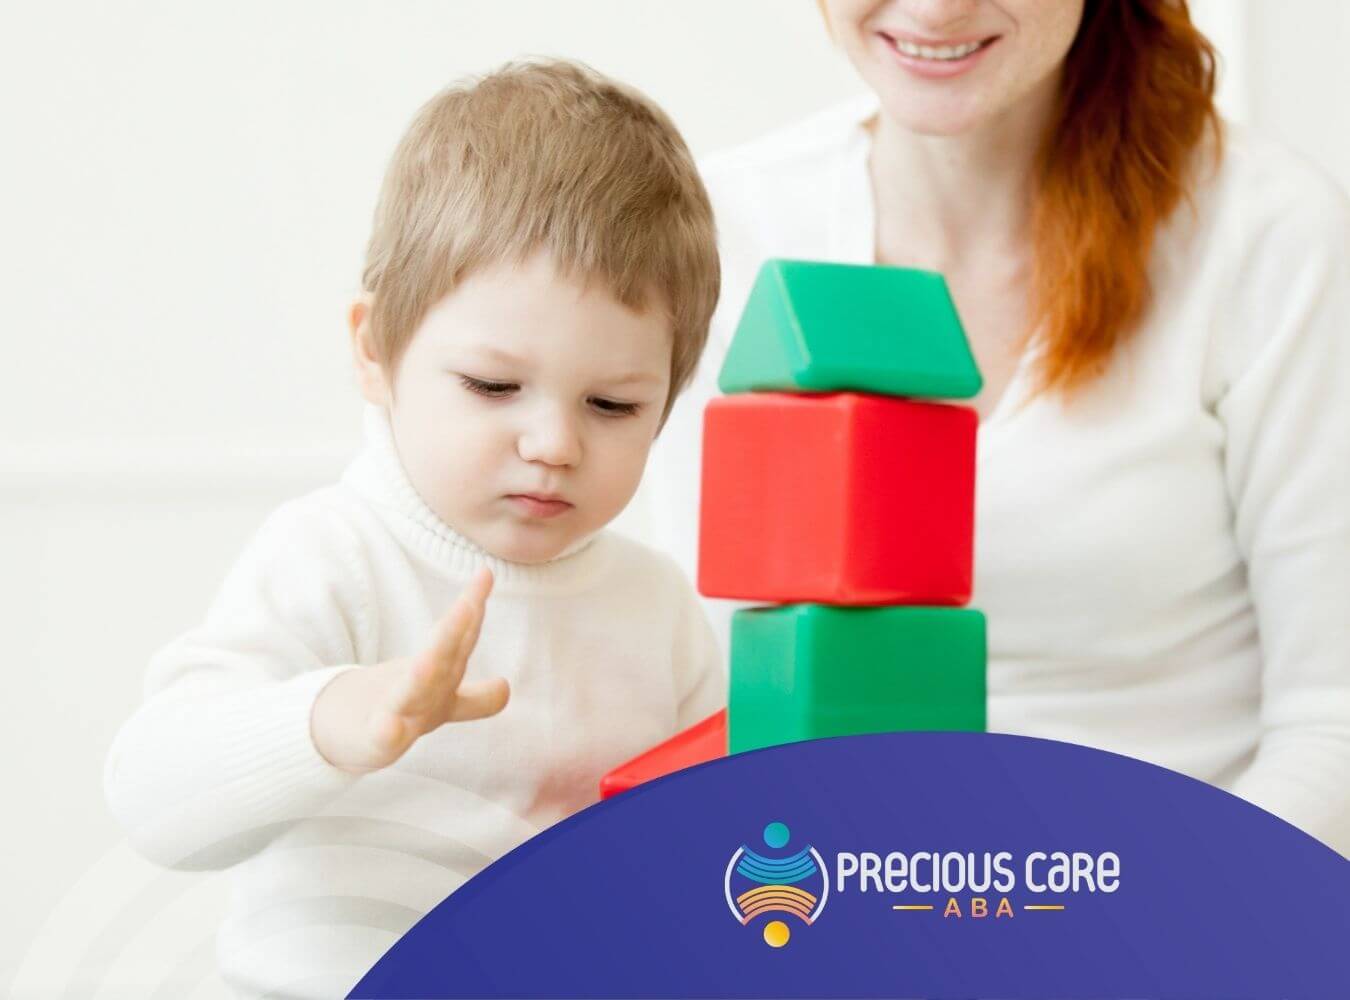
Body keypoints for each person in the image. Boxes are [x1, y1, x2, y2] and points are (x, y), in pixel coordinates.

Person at [643, 0, 1350, 855]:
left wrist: (1155, 938)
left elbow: (1331, 729)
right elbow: (715, 694)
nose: (938, 8)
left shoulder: (1267, 233)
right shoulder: (726, 233)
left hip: (1188, 915)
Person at [103, 59, 725, 998]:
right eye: (492, 387)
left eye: (613, 403)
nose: (554, 442)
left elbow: (709, 849)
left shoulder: (657, 607)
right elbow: (154, 800)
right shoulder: (333, 557)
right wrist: (330, 720)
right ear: (373, 349)